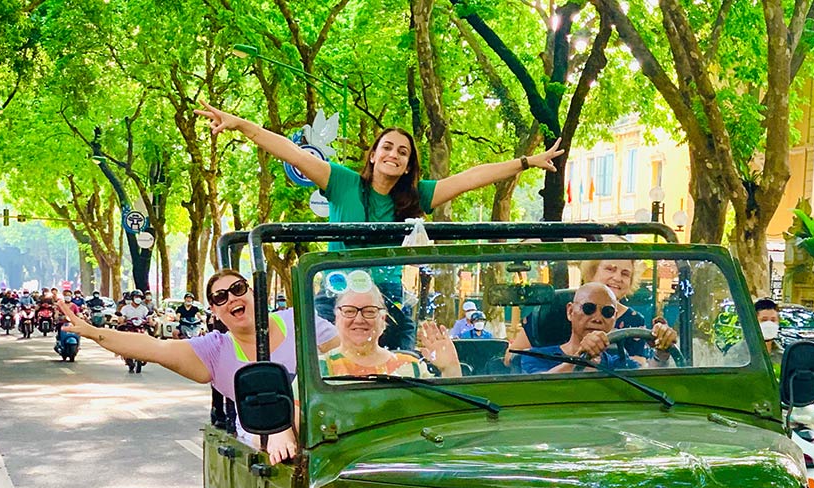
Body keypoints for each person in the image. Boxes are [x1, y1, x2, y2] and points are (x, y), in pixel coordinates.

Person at [194, 105, 561, 346]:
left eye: (403, 152)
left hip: (387, 296)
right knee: (319, 364)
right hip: (335, 293)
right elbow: (290, 151)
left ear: (408, 165)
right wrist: (240, 124)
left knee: (403, 359)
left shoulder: (418, 195)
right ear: (373, 155)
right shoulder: (341, 181)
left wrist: (526, 162)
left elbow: (470, 178)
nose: (393, 154)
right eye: (387, 147)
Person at [58, 269, 338, 463]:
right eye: (221, 297)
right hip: (262, 443)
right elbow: (154, 347)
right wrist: (93, 332)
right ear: (214, 310)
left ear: (254, 293)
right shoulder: (216, 350)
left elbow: (348, 357)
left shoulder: (299, 321)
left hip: (327, 424)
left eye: (238, 289)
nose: (232, 298)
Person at [507, 257, 650, 365]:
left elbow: (636, 372)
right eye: (610, 269)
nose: (617, 278)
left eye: (625, 274)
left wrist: (660, 350)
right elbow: (512, 359)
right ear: (570, 311)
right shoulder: (552, 309)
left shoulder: (634, 321)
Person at [516, 282, 677, 374]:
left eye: (607, 312)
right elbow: (537, 389)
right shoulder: (536, 357)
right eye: (588, 308)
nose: (598, 318)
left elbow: (649, 385)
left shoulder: (619, 363)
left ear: (614, 318)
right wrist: (580, 360)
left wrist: (662, 352)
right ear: (570, 311)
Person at [319, 284, 460, 378]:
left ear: (383, 319)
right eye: (349, 311)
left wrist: (450, 368)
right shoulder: (318, 368)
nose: (359, 319)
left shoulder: (411, 367)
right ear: (336, 318)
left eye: (369, 311)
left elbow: (447, 410)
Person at [755, 297, 782, 367]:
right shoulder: (739, 353)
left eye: (773, 320)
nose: (769, 324)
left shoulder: (783, 356)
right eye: (764, 320)